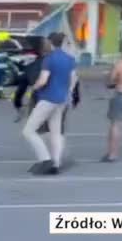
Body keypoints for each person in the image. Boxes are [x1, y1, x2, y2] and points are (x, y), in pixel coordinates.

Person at [20, 33, 77, 176]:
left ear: (50, 43)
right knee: (56, 132)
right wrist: (67, 92)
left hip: (48, 98)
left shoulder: (49, 59)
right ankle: (56, 164)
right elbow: (73, 79)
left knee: (28, 131)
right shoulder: (70, 59)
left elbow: (43, 80)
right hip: (62, 100)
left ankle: (45, 159)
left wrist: (33, 89)